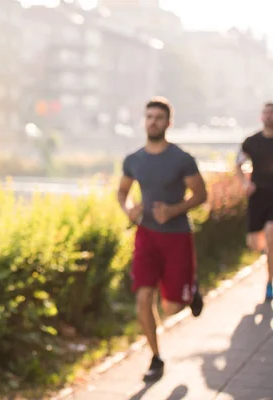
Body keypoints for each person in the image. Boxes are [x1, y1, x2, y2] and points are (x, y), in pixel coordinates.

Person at [117, 97, 207, 382]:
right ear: (144, 121)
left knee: (172, 307)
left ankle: (190, 291)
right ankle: (155, 357)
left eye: (158, 117)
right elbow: (122, 191)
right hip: (146, 236)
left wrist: (174, 210)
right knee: (143, 296)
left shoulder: (182, 159)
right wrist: (128, 208)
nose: (152, 121)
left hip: (178, 236)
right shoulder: (133, 159)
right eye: (149, 116)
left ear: (168, 123)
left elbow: (201, 195)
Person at [235, 102, 273, 301]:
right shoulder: (251, 142)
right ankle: (268, 252)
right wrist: (244, 183)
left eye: (272, 113)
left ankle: (270, 282)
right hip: (257, 196)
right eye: (266, 113)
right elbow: (238, 163)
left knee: (270, 233)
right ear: (261, 117)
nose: (269, 116)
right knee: (254, 243)